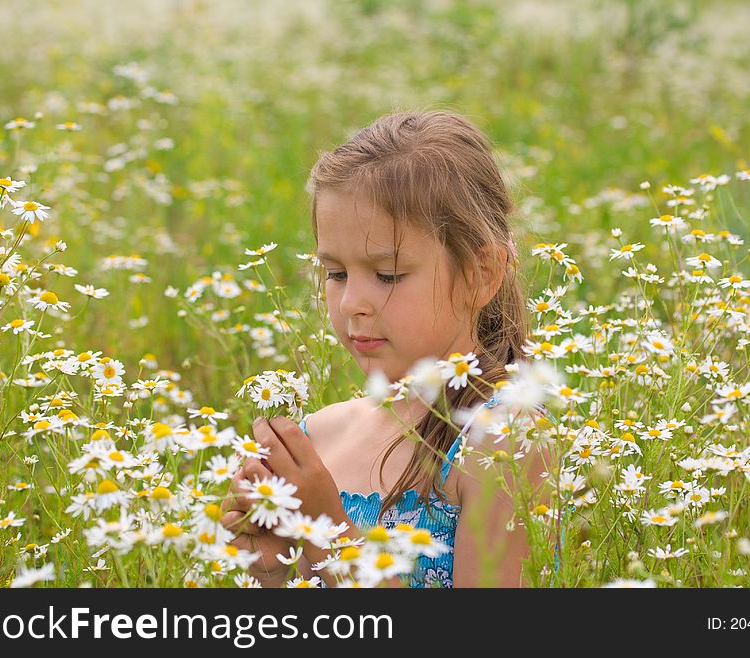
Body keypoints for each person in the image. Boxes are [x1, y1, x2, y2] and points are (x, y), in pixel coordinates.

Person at [221, 110, 550, 587]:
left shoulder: (502, 442)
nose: (352, 303)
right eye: (336, 273)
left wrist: (329, 530)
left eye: (388, 275)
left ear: (481, 273)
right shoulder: (320, 436)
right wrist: (269, 567)